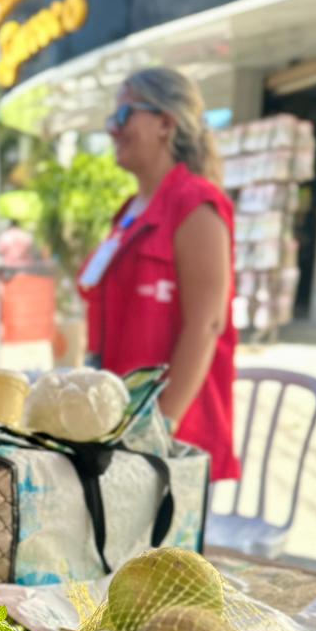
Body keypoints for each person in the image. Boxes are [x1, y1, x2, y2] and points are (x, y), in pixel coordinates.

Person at [80, 68, 238, 481]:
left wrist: (162, 428)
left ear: (165, 123)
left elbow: (207, 324)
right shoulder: (128, 213)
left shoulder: (196, 205)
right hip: (122, 428)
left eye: (123, 116)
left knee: (168, 550)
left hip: (171, 442)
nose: (113, 130)